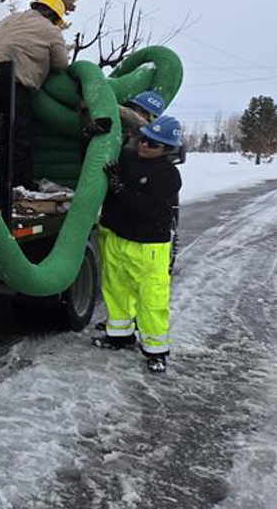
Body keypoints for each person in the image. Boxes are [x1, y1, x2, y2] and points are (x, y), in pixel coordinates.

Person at [92, 115, 183, 373]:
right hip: (117, 236)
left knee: (151, 299)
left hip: (148, 245)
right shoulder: (127, 158)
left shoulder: (168, 175)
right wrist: (92, 135)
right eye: (142, 139)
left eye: (153, 144)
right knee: (115, 288)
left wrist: (118, 188)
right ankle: (119, 336)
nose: (143, 145)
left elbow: (148, 207)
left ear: (166, 149)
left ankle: (156, 352)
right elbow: (93, 162)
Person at [0, 0, 70, 188]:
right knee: (17, 138)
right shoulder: (51, 30)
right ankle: (19, 186)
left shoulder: (11, 18)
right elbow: (61, 63)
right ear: (54, 16)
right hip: (12, 85)